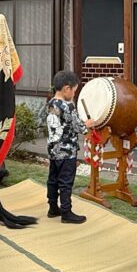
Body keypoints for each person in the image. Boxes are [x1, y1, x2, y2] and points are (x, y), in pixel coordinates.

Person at [46, 70, 95, 224]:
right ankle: (66, 212)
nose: (74, 94)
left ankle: (53, 208)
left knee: (53, 179)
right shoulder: (68, 106)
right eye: (74, 90)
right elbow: (78, 127)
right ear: (66, 88)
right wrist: (88, 124)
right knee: (66, 181)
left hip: (53, 149)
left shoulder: (51, 103)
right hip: (66, 151)